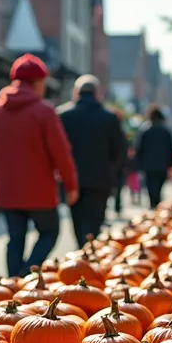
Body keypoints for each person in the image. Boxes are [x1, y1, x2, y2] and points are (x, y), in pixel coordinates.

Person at [0, 54, 80, 277]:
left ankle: (14, 283)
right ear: (38, 82)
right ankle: (25, 275)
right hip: (39, 189)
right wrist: (70, 185)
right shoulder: (44, 111)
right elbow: (61, 154)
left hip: (8, 188)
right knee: (50, 231)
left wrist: (4, 168)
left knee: (15, 237)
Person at [58, 75, 126, 246]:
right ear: (97, 93)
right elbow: (119, 150)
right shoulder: (109, 117)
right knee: (95, 220)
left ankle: (82, 251)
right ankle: (89, 252)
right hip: (100, 178)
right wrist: (111, 170)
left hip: (72, 178)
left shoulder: (62, 115)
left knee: (77, 219)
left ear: (76, 92)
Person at [135, 107, 172, 208]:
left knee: (150, 185)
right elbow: (170, 149)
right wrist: (171, 164)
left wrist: (139, 164)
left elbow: (139, 149)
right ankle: (157, 203)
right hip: (162, 164)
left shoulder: (145, 130)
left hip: (148, 165)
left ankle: (153, 203)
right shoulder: (166, 131)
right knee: (159, 186)